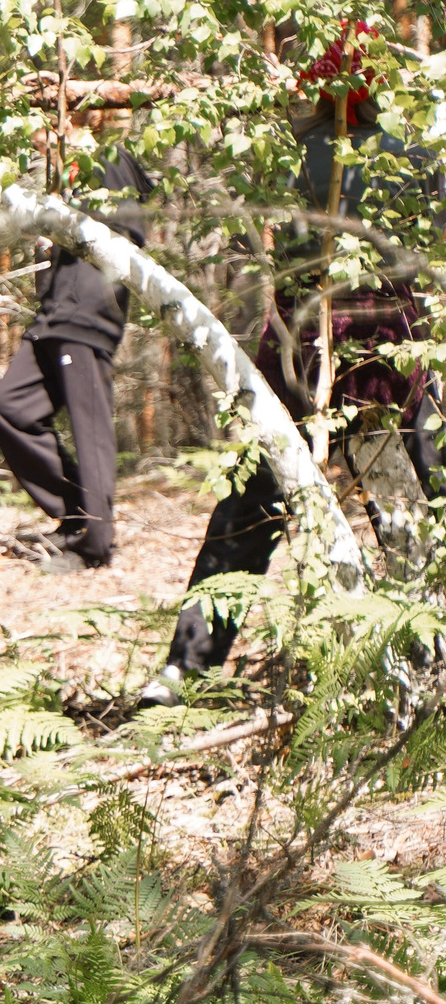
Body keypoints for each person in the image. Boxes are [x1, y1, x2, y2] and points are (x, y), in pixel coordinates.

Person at [144, 35, 442, 702]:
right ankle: (426, 654)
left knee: (248, 514)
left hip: (301, 355)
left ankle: (184, 666)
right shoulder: (412, 152)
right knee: (414, 513)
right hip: (389, 361)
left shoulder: (291, 155)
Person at [0, 139, 154, 575]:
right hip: (53, 317)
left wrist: (63, 222)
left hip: (86, 317)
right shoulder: (72, 168)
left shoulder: (112, 158)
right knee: (12, 408)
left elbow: (127, 235)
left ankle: (95, 545)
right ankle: (78, 514)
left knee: (90, 431)